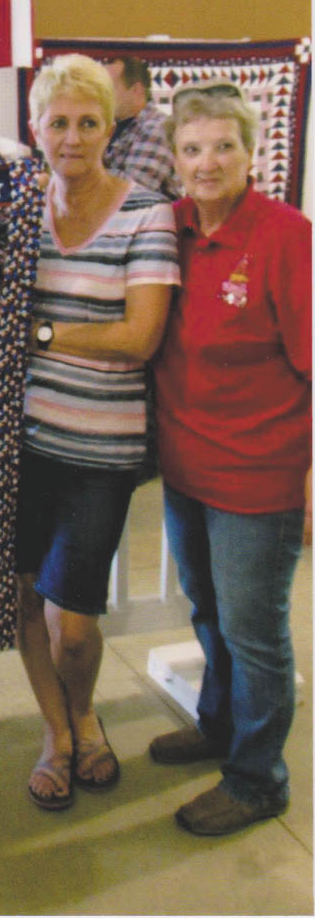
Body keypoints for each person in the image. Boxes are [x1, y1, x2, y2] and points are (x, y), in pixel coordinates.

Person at [148, 79, 311, 835]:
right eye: (191, 148)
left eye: (223, 146)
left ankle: (256, 779)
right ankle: (217, 723)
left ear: (252, 151)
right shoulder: (168, 226)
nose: (206, 162)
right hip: (187, 468)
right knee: (208, 610)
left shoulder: (285, 236)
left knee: (254, 631)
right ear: (174, 157)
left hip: (259, 475)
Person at [16, 53, 179, 810]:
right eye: (59, 122)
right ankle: (58, 731)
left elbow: (140, 335)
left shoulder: (145, 212)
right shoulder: (18, 214)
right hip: (21, 444)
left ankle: (86, 709)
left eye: (88, 122)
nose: (73, 137)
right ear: (36, 128)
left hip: (102, 450)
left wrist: (41, 333)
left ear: (110, 127)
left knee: (74, 622)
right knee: (24, 601)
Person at [102, 55, 181, 199]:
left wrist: (84, 169)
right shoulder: (111, 128)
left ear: (136, 90)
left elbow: (132, 192)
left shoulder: (158, 127)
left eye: (108, 88)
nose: (101, 96)